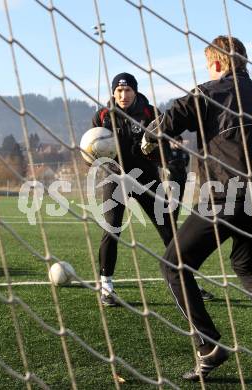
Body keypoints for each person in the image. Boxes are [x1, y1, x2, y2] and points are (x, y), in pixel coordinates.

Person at [142, 36, 252, 381]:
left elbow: (172, 117)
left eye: (207, 65)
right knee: (245, 263)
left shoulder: (208, 92)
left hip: (227, 197)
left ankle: (209, 347)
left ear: (217, 64)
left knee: (173, 265)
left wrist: (150, 137)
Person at [92, 72, 213, 306]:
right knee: (111, 229)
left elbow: (165, 146)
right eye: (119, 90)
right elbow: (91, 150)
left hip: (146, 178)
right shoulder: (102, 116)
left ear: (135, 91)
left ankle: (189, 283)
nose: (123, 95)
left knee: (170, 231)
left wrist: (167, 160)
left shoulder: (151, 114)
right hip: (114, 179)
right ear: (113, 92)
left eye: (127, 90)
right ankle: (106, 286)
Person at [167, 135, 215, 301]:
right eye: (175, 141)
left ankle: (172, 222)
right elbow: (168, 167)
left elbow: (185, 167)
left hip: (181, 182)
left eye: (179, 141)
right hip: (171, 183)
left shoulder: (184, 154)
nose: (177, 143)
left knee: (177, 205)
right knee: (171, 207)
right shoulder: (168, 152)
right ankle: (170, 224)